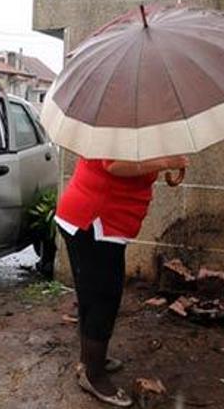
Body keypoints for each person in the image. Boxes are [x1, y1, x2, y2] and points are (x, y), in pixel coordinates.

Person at [55, 155, 189, 407]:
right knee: (104, 299)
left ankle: (90, 361)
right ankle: (94, 376)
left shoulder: (131, 120)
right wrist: (164, 162)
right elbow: (114, 165)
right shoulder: (117, 120)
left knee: (91, 295)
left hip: (94, 219)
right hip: (94, 221)